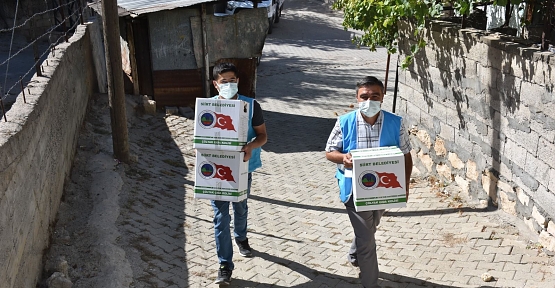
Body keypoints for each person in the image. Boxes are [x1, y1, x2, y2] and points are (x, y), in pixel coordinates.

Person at [325, 76, 413, 288]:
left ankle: (355, 255)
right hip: (354, 189)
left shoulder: (396, 122)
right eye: (364, 96)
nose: (369, 100)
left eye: (375, 96)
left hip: (384, 188)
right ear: (356, 98)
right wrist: (343, 157)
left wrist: (406, 186)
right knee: (367, 239)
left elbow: (406, 155)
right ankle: (370, 282)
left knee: (371, 226)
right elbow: (329, 152)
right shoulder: (344, 122)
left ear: (382, 97)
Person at [210, 62, 267, 285]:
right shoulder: (207, 107)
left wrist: (250, 146)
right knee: (220, 217)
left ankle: (241, 237)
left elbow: (263, 136)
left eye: (233, 80)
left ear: (238, 81)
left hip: (243, 169)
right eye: (224, 81)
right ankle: (225, 265)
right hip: (215, 172)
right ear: (216, 85)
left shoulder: (251, 106)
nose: (229, 85)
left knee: (240, 206)